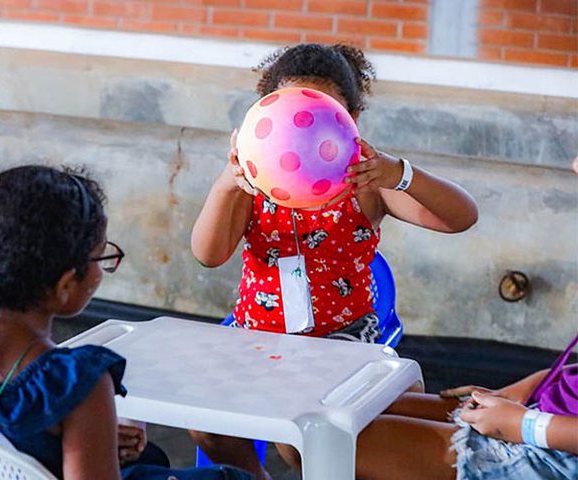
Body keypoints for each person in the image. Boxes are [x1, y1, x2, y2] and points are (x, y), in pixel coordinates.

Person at [190, 43, 479, 477]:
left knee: (303, 439)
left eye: (319, 117)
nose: (302, 132)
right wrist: (227, 185)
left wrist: (400, 173)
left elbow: (461, 217)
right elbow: (208, 254)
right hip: (255, 337)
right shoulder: (252, 184)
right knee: (206, 425)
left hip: (341, 341)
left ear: (351, 119)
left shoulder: (366, 181)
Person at [0, 165, 251, 480]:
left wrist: (90, 436)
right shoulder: (75, 383)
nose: (102, 268)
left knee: (151, 458)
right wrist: (91, 424)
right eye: (102, 257)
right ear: (65, 284)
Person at [284, 332, 578, 479]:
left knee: (321, 441)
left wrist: (526, 425)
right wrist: (519, 391)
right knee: (316, 422)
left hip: (554, 445)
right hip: (544, 412)